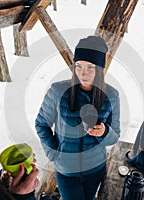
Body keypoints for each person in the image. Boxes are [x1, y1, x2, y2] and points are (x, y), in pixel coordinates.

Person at [35, 35, 121, 200]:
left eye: (90, 67)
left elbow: (115, 135)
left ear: (100, 68)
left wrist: (104, 132)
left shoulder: (112, 95)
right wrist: (54, 153)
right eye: (78, 66)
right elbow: (41, 124)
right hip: (67, 169)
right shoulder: (57, 91)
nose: (83, 73)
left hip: (96, 167)